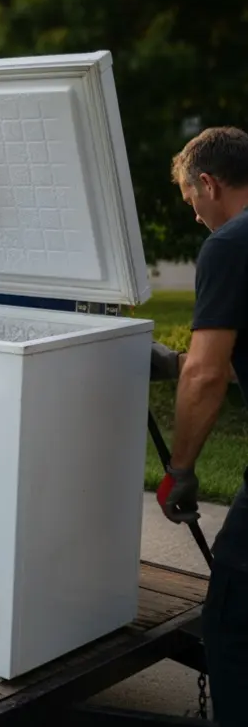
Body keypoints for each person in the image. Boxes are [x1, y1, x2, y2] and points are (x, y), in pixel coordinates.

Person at [154, 125, 248, 725]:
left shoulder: (232, 243)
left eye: (193, 205)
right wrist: (176, 363)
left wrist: (180, 470)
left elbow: (208, 377)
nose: (197, 219)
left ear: (208, 183)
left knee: (233, 617)